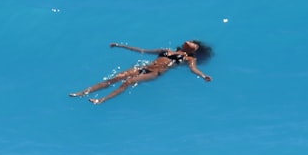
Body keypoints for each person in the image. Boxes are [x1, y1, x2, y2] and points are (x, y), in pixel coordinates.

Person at [69, 40, 214, 104]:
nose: (190, 41)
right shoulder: (166, 50)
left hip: (155, 73)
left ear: (194, 49)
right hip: (145, 67)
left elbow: (193, 69)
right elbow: (142, 51)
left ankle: (101, 100)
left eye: (194, 44)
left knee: (128, 82)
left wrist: (203, 76)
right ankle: (84, 92)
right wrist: (120, 46)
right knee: (117, 77)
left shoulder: (189, 58)